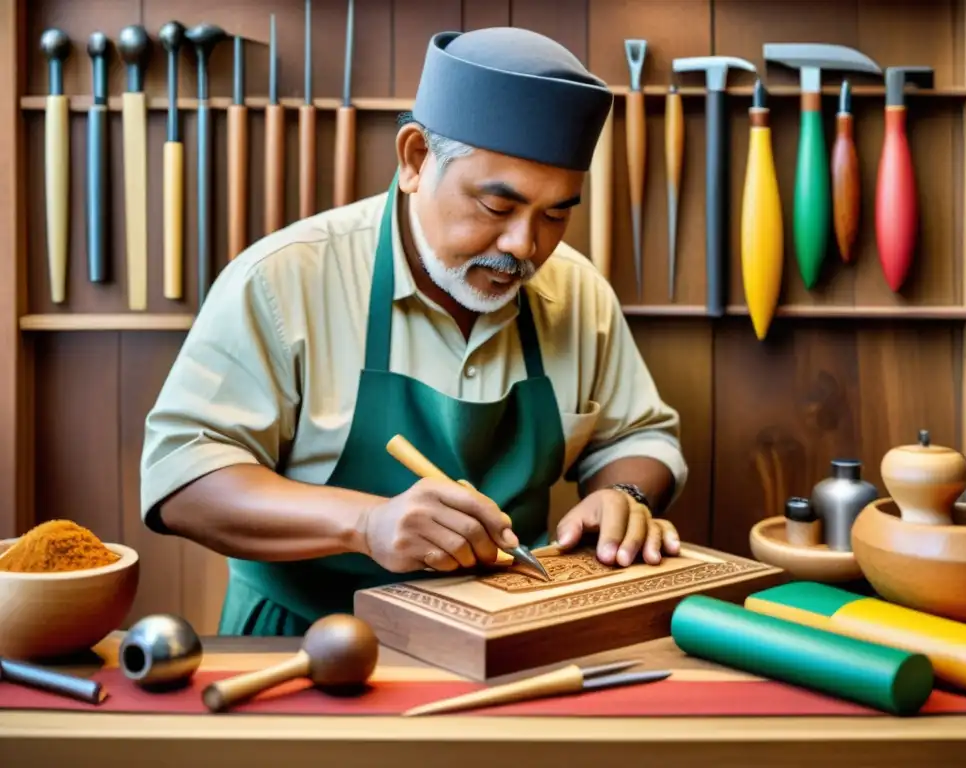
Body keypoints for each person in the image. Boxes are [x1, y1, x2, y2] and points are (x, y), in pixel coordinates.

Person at [139, 27, 688, 637]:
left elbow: (639, 437)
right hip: (304, 643)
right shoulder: (282, 280)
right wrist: (365, 524)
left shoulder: (576, 293)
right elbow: (184, 479)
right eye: (497, 207)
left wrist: (626, 497)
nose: (524, 246)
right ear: (416, 160)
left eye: (556, 213)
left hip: (513, 635)